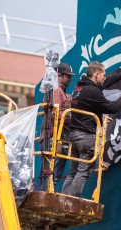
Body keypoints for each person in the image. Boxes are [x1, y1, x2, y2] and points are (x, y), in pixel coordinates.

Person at [61, 61, 121, 197]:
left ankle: (63, 199)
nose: (105, 77)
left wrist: (119, 74)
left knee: (73, 171)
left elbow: (101, 85)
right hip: (86, 137)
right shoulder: (92, 91)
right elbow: (110, 108)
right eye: (103, 75)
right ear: (96, 75)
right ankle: (70, 200)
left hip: (75, 135)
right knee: (83, 172)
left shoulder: (80, 87)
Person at [34, 63, 76, 191]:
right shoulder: (57, 90)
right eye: (67, 76)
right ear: (59, 75)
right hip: (54, 138)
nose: (70, 79)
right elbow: (56, 114)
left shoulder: (58, 91)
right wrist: (72, 117)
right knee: (52, 175)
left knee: (45, 174)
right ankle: (43, 199)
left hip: (50, 138)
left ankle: (38, 198)